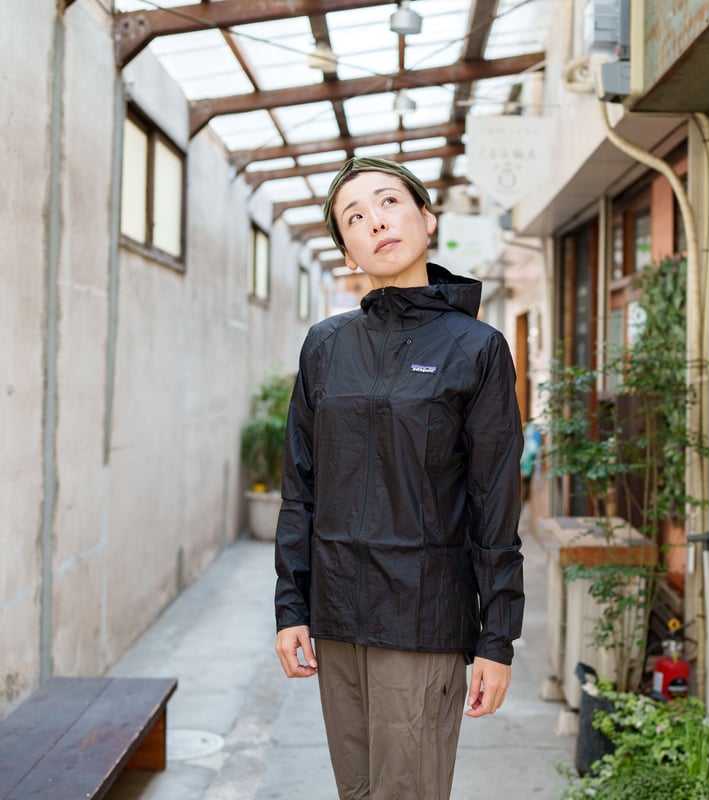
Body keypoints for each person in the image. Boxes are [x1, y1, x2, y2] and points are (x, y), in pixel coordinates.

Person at [274, 157, 524, 800]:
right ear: (347, 252)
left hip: (421, 616)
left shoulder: (476, 348)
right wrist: (291, 606)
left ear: (426, 218)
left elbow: (495, 503)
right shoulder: (326, 345)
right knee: (356, 792)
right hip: (335, 616)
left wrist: (497, 637)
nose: (376, 222)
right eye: (354, 217)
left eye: (389, 202)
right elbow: (301, 485)